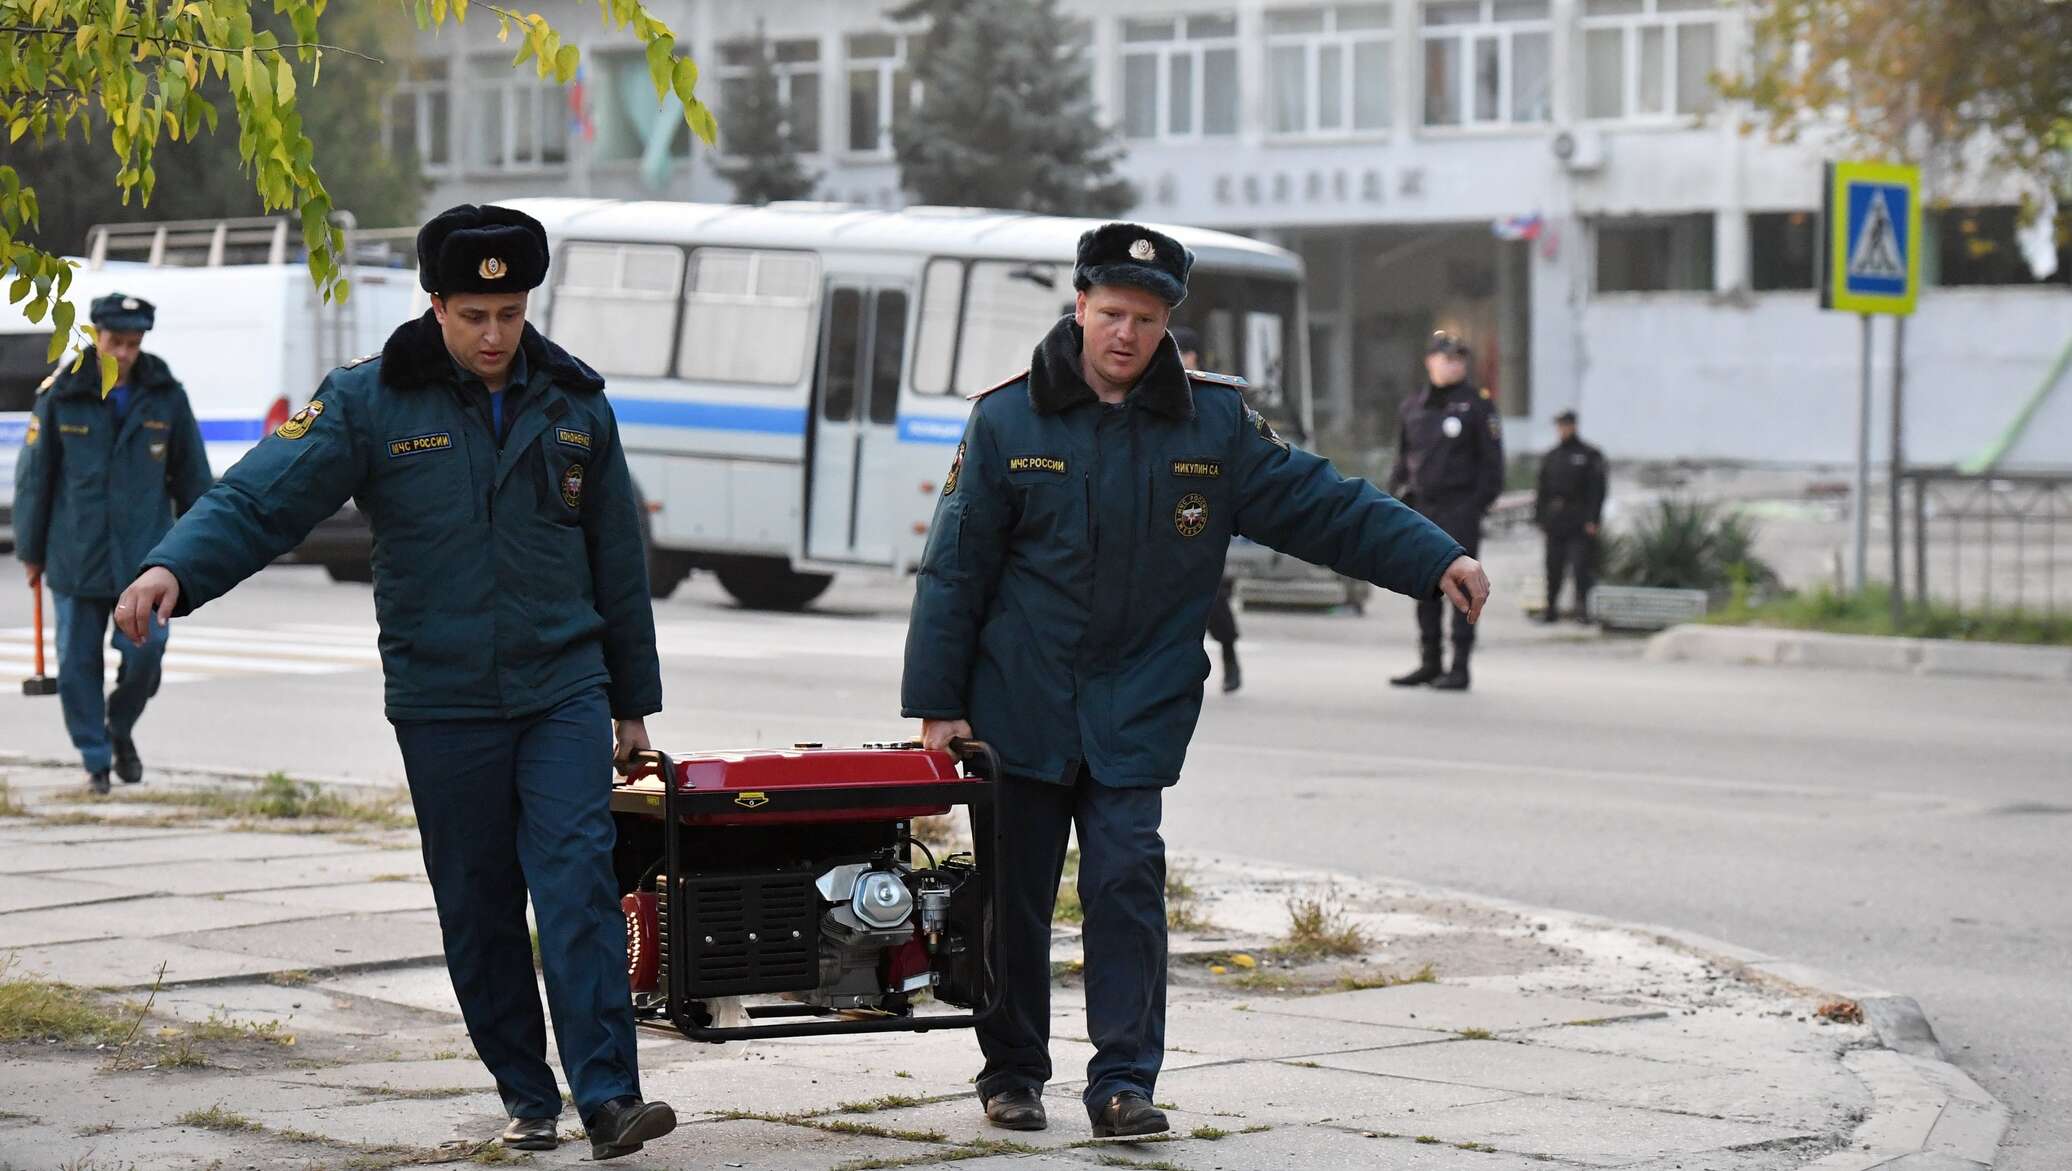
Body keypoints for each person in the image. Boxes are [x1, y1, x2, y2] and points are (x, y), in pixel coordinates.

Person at [113, 205, 677, 1161]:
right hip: (443, 696)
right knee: (476, 899)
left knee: (578, 883)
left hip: (561, 688)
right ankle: (526, 1092)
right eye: (473, 314)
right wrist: (175, 566)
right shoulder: (372, 401)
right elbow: (263, 496)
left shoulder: (577, 405)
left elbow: (617, 565)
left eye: (508, 311)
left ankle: (609, 1098)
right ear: (435, 306)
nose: (494, 334)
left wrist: (633, 706)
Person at [901, 224, 1488, 1140]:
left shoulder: (1212, 423)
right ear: (1080, 306)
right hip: (1019, 700)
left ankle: (1123, 1082)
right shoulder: (1009, 419)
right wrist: (938, 706)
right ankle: (1012, 1069)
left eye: (1144, 318)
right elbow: (954, 569)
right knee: (1014, 893)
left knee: (1127, 878)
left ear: (1168, 321)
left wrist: (1434, 554)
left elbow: (1319, 503)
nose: (1125, 334)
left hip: (1138, 699)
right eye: (1110, 314)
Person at [13, 294, 212, 794]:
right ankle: (95, 758)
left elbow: (194, 480)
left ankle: (118, 730)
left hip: (145, 561)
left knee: (146, 659)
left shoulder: (165, 394)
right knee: (78, 666)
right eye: (114, 341)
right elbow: (35, 480)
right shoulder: (62, 393)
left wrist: (202, 553)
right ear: (96, 335)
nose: (123, 352)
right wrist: (31, 554)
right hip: (74, 555)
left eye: (133, 342)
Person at [1386, 332, 1504, 692]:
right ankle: (1430, 661)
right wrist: (1394, 499)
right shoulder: (1413, 406)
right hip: (1422, 509)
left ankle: (1460, 665)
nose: (1454, 364)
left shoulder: (1478, 406)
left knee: (1463, 588)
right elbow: (1402, 460)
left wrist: (1473, 507)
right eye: (1447, 358)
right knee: (1423, 586)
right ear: (1430, 361)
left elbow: (1492, 469)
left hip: (1459, 509)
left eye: (1459, 359)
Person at [1170, 325, 1240, 693]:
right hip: (1160, 517)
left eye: (1187, 352)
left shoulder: (1215, 399)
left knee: (1211, 597)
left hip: (1201, 513)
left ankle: (1229, 654)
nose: (1180, 359)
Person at [1534, 409, 1608, 623]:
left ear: (1574, 426)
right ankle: (1550, 610)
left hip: (1579, 518)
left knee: (1581, 567)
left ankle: (1582, 610)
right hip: (1556, 519)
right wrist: (1540, 518)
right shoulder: (1552, 456)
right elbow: (1542, 490)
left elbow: (1597, 490)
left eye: (1565, 425)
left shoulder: (1589, 455)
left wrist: (1593, 519)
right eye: (1559, 426)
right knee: (1553, 567)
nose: (1562, 430)